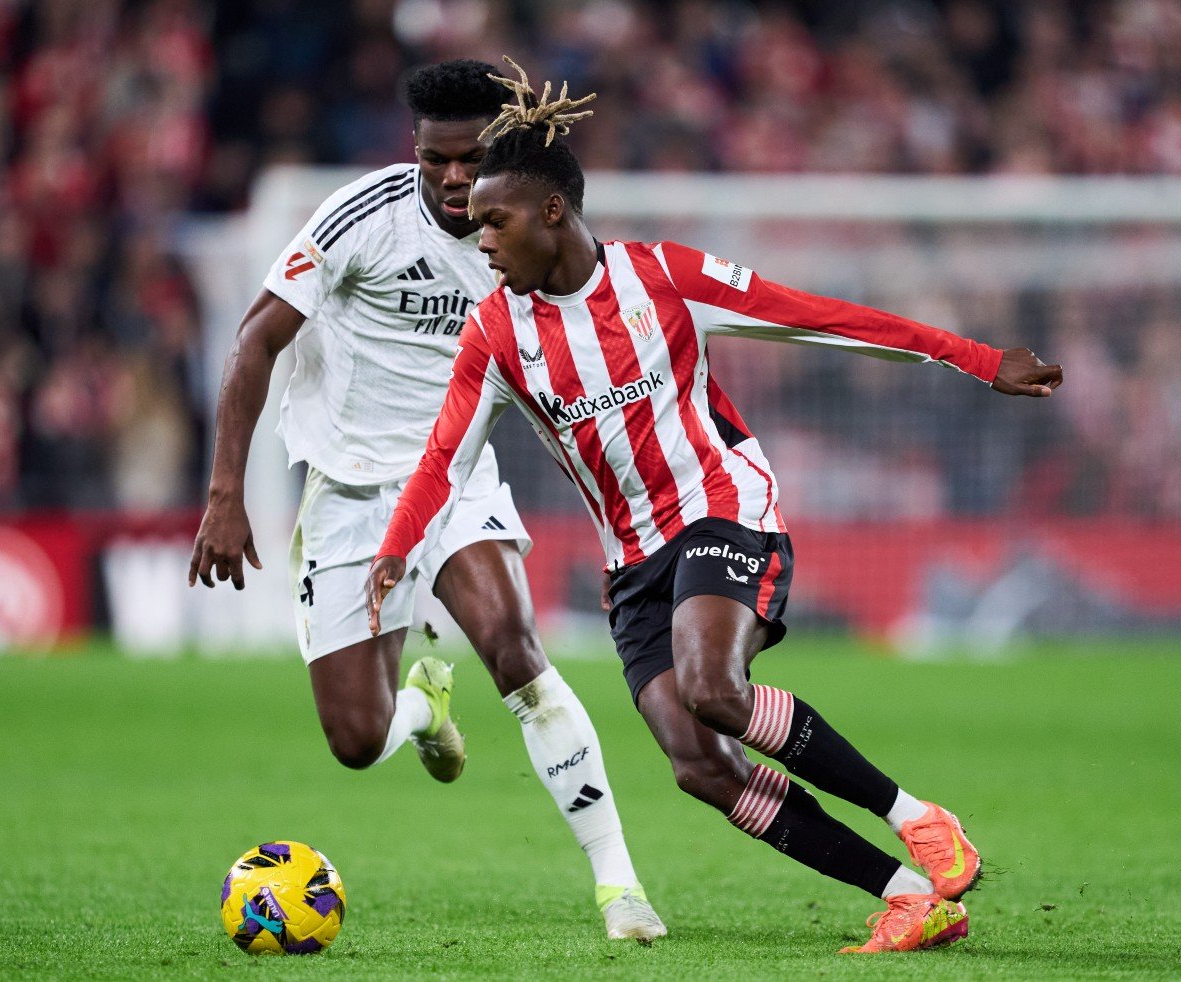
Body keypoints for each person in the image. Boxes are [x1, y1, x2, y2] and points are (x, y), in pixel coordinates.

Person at [366, 59, 1064, 955]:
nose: (481, 239)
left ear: (552, 212)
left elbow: (819, 316)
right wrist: (397, 548)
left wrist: (971, 357)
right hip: (633, 560)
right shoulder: (497, 331)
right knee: (698, 765)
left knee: (712, 689)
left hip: (721, 507)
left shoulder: (666, 278)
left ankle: (920, 816)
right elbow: (441, 457)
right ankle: (908, 896)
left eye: (494, 220)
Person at [188, 60, 666, 942]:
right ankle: (424, 710)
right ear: (415, 147)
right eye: (436, 159)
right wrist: (226, 494)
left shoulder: (524, 231)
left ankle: (620, 887)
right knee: (357, 741)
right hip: (346, 492)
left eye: (471, 158)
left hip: (454, 482)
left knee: (517, 652)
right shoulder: (360, 218)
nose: (453, 178)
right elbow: (255, 341)